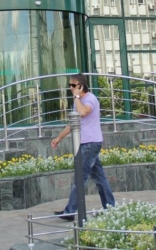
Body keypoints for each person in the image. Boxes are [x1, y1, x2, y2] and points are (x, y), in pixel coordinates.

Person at [51, 74, 115, 221]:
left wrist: (77, 97)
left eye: (73, 85)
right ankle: (110, 208)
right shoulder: (78, 101)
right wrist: (59, 138)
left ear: (80, 85)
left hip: (90, 143)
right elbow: (73, 123)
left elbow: (84, 112)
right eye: (70, 85)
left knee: (80, 177)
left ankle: (70, 211)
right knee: (100, 178)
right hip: (87, 143)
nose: (70, 88)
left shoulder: (90, 99)